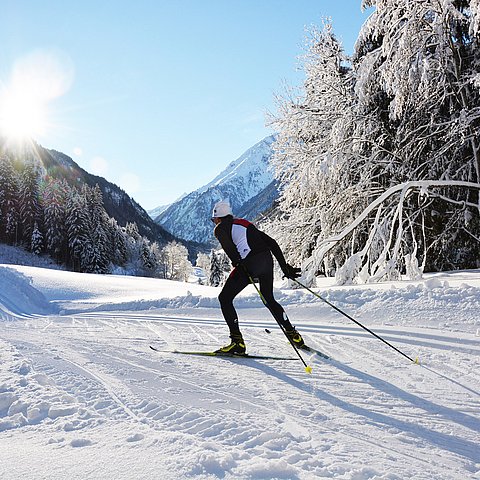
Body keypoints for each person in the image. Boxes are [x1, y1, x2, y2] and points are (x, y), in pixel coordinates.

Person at [211, 200, 304, 354]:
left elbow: (230, 250)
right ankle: (293, 335)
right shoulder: (243, 223)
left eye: (213, 220)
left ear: (218, 218)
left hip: (250, 262)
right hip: (267, 262)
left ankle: (237, 343)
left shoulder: (220, 228)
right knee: (269, 299)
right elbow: (272, 243)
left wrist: (238, 263)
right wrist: (284, 267)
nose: (213, 223)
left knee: (225, 298)